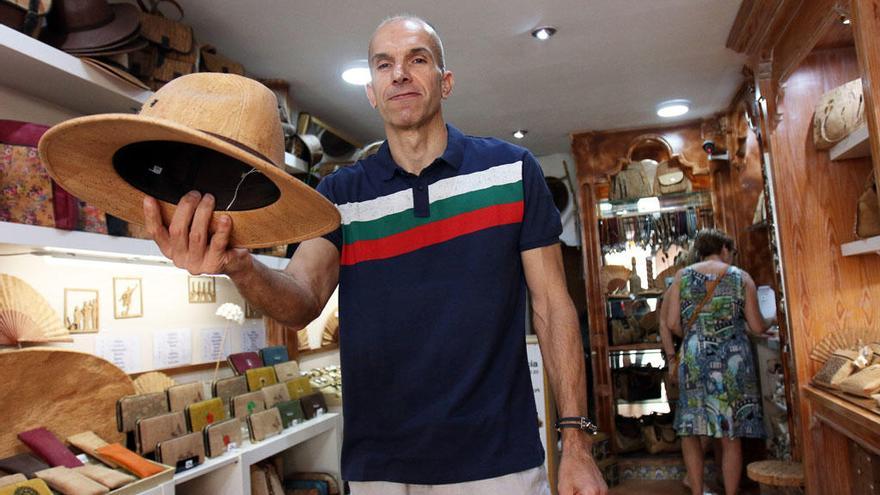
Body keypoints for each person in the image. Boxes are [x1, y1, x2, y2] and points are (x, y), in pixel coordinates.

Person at [142, 15, 606, 495]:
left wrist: (576, 443)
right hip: (380, 466)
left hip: (498, 459)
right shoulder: (339, 196)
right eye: (384, 65)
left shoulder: (511, 171)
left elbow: (553, 308)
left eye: (417, 60)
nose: (400, 74)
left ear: (445, 82)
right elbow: (300, 300)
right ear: (371, 90)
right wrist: (238, 264)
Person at [664, 229, 771, 495]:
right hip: (732, 358)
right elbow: (757, 326)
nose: (732, 257)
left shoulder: (682, 276)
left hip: (695, 356)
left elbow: (673, 323)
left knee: (691, 428)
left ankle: (697, 490)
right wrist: (773, 319)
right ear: (724, 249)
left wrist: (697, 335)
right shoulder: (741, 277)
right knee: (730, 432)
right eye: (732, 252)